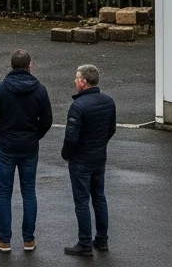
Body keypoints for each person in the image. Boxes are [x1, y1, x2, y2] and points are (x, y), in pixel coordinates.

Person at [0, 49, 54, 253]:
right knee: (29, 193)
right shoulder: (40, 90)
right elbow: (47, 121)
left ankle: (5, 240)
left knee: (4, 193)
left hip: (5, 146)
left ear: (11, 65)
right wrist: (35, 136)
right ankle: (28, 240)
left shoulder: (0, 89)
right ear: (29, 66)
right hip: (29, 147)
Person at [61, 64, 116, 257]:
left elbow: (71, 137)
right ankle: (102, 240)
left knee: (82, 201)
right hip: (99, 157)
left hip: (81, 160)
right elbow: (111, 129)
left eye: (77, 78)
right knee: (99, 197)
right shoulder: (108, 101)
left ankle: (84, 243)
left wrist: (66, 154)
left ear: (84, 82)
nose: (75, 81)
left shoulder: (78, 106)